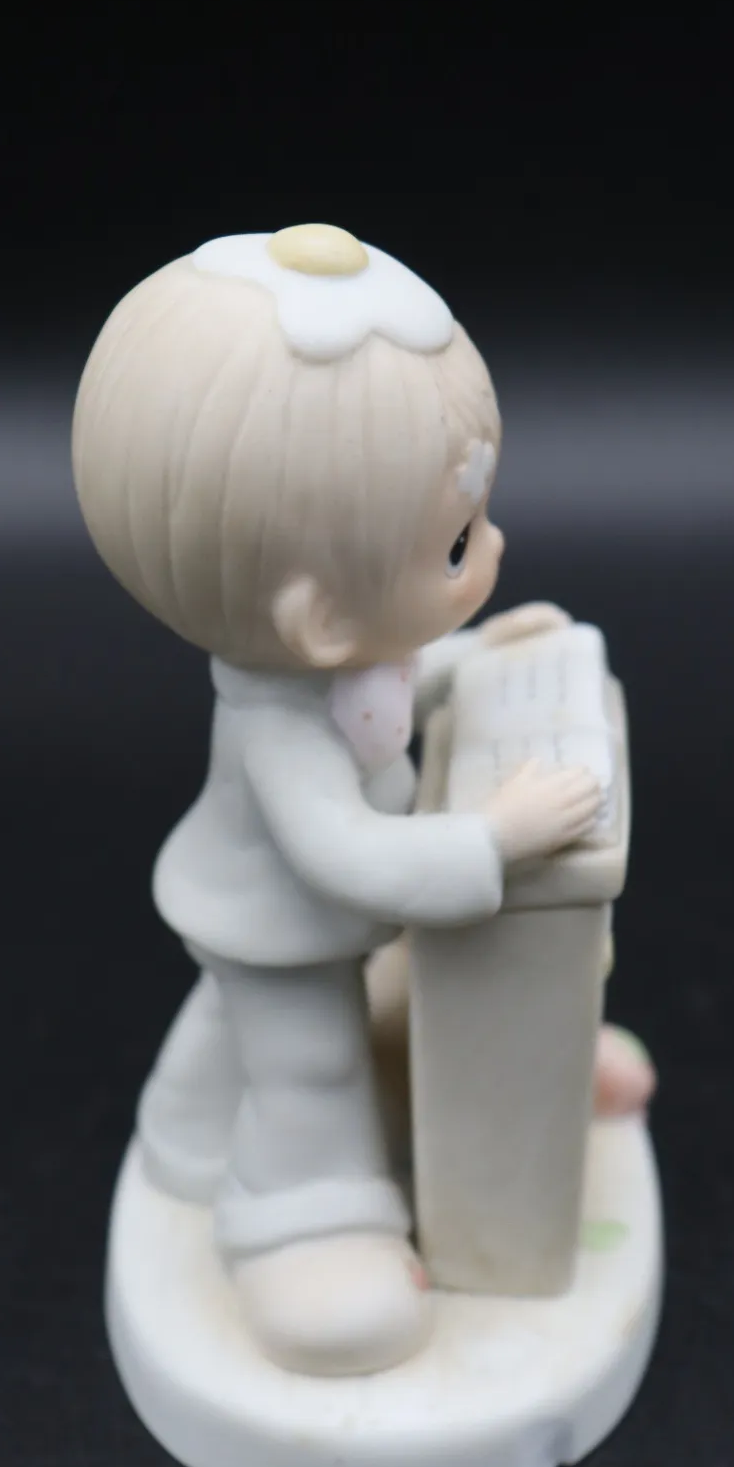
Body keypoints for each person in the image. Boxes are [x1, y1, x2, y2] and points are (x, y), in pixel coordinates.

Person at [73, 223, 655, 1377]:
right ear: (320, 621)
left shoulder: (338, 660)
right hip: (281, 932)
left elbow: (387, 693)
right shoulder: (277, 731)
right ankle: (297, 1224)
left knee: (371, 997)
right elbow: (344, 853)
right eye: (456, 544)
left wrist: (478, 653)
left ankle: (502, 1082)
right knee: (308, 1067)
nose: (493, 545)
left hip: (334, 930)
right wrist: (493, 837)